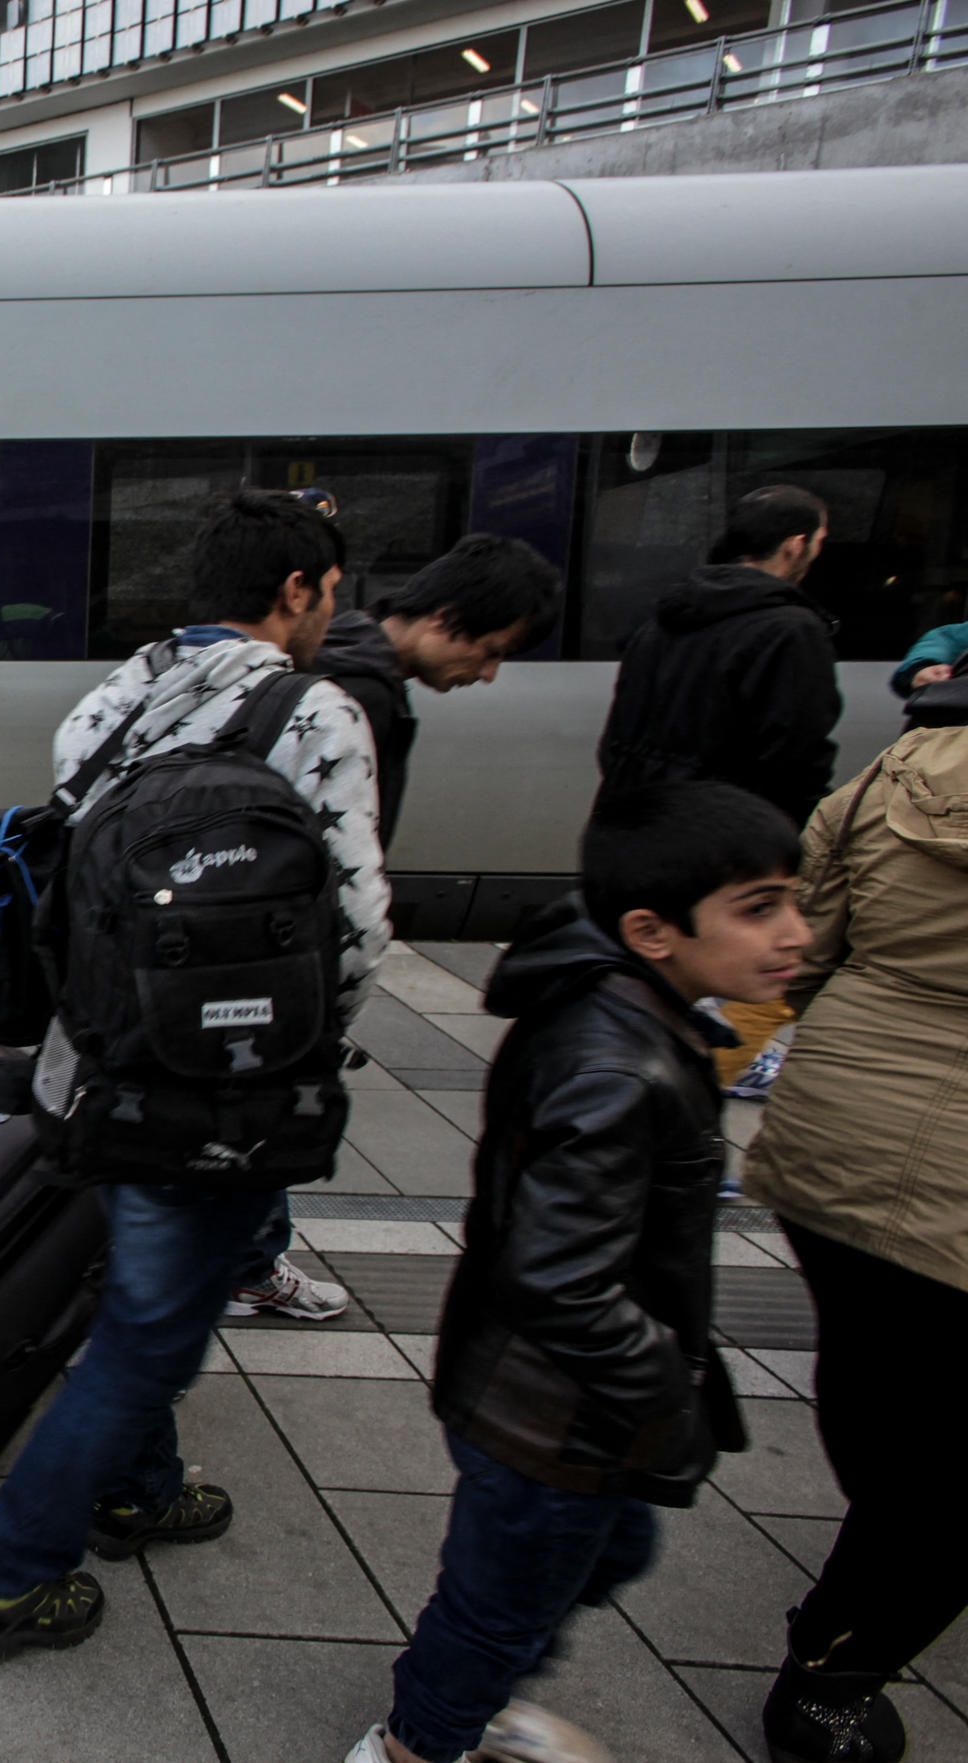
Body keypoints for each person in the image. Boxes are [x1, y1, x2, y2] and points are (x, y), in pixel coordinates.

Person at [0, 489, 389, 1658]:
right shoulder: (316, 711)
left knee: (142, 1289)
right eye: (329, 593)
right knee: (152, 1329)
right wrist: (294, 1061)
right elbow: (358, 922)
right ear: (294, 590)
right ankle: (10, 1572)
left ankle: (138, 1487)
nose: (329, 613)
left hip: (90, 1063)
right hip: (219, 1090)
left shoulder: (115, 694)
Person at [343, 783, 803, 1763]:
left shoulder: (625, 1015)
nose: (794, 932)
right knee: (503, 1595)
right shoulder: (614, 1058)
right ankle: (419, 1741)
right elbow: (562, 1277)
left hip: (550, 1395)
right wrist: (659, 1386)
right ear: (651, 930)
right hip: (553, 1409)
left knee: (586, 1558)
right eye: (758, 906)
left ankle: (473, 1697)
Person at [228, 531, 567, 1324]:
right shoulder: (361, 692)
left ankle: (244, 1255)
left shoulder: (336, 654)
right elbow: (345, 870)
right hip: (286, 950)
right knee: (266, 1105)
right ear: (445, 616)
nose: (484, 674)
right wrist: (335, 999)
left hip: (254, 944)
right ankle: (247, 1261)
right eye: (489, 650)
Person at [739, 721, 968, 1763]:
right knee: (940, 1465)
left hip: (837, 1125)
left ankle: (881, 1523)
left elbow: (793, 942)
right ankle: (832, 1680)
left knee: (880, 1374)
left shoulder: (901, 764)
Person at [597, 485, 840, 1095]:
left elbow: (618, 735)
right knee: (768, 970)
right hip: (731, 844)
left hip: (640, 822)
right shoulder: (790, 628)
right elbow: (798, 756)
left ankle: (634, 1092)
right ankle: (681, 1095)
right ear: (796, 545)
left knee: (644, 981)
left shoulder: (664, 618)